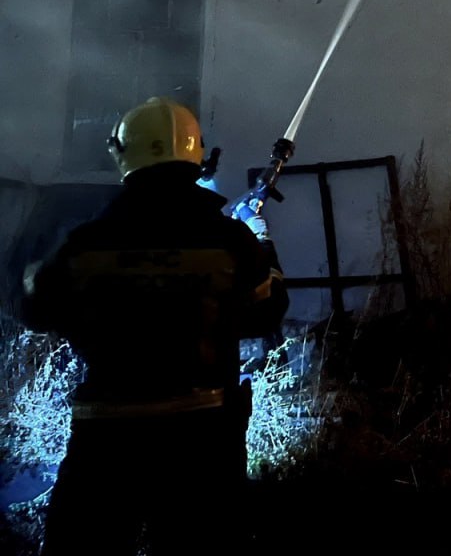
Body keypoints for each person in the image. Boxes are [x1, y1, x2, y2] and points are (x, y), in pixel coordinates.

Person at [21, 96, 288, 555]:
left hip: (105, 446)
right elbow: (266, 312)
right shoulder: (230, 239)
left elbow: (38, 310)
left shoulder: (86, 241)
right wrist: (259, 235)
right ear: (196, 155)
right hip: (203, 444)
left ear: (122, 155)